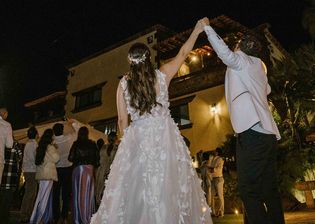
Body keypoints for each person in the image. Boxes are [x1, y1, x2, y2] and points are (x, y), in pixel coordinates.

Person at [91, 19, 212, 224]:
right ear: (148, 58)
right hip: (164, 138)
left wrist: (128, 144)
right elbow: (183, 54)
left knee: (136, 189)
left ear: (131, 61)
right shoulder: (162, 74)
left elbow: (122, 121)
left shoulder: (123, 83)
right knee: (167, 187)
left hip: (138, 138)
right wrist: (197, 30)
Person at [204, 18, 284, 224]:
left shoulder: (243, 61)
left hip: (253, 132)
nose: (234, 46)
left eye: (237, 45)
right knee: (269, 189)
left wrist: (207, 27)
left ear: (242, 48)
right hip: (268, 134)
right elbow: (266, 90)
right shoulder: (259, 66)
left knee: (248, 190)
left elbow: (224, 53)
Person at [68, 127, 99, 224]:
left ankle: (78, 218)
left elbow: (70, 157)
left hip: (79, 169)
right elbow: (97, 159)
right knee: (88, 194)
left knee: (77, 193)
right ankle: (88, 217)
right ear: (87, 133)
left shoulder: (76, 144)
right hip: (89, 169)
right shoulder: (93, 144)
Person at [30, 128, 59, 224]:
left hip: (41, 175)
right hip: (48, 175)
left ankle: (38, 218)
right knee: (44, 197)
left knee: (40, 196)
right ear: (51, 137)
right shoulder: (50, 147)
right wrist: (55, 148)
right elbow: (56, 159)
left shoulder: (39, 147)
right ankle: (38, 219)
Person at [52, 122, 75, 223]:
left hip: (56, 169)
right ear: (62, 130)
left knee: (55, 194)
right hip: (67, 168)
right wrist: (72, 123)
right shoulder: (69, 138)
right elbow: (78, 131)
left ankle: (56, 217)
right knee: (66, 193)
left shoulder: (52, 142)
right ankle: (64, 216)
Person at [19, 127, 39, 222]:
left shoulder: (28, 144)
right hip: (32, 170)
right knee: (30, 193)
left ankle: (27, 213)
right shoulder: (33, 144)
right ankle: (25, 214)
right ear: (36, 135)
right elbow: (33, 159)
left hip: (28, 170)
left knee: (30, 193)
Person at [94, 132, 117, 206]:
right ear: (115, 139)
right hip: (109, 171)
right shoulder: (116, 149)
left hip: (100, 170)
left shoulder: (103, 147)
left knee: (98, 188)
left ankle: (98, 204)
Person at [208, 148, 225, 217]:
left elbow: (218, 168)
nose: (213, 151)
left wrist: (212, 169)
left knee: (220, 196)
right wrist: (210, 159)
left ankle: (221, 212)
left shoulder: (220, 159)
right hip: (213, 179)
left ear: (217, 152)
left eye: (215, 151)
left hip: (218, 179)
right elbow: (209, 166)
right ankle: (213, 212)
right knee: (211, 196)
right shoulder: (212, 159)